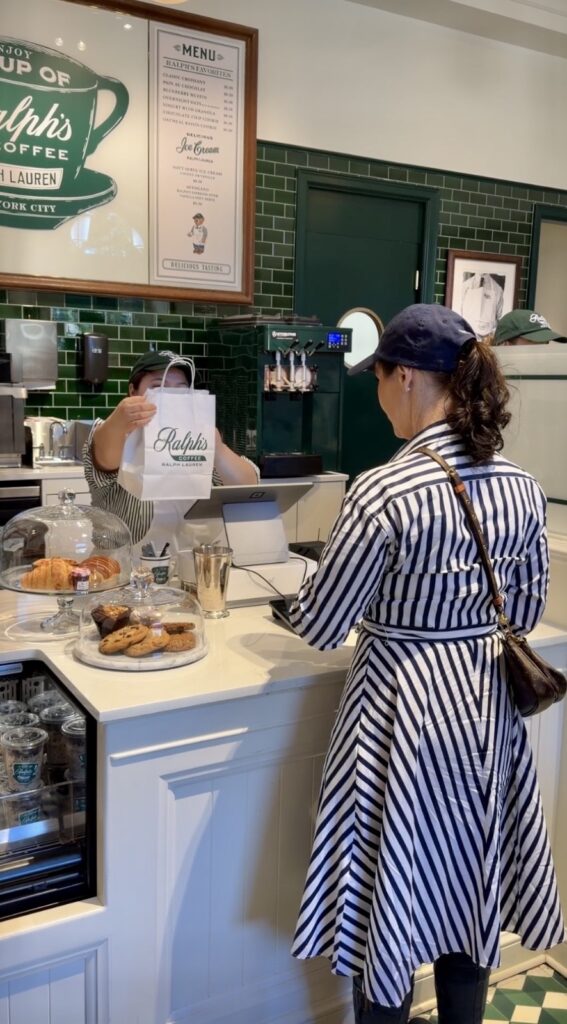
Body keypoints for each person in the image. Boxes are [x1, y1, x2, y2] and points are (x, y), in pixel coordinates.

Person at [289, 304, 564, 1024]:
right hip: (481, 717)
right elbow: (526, 612)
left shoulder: (382, 489)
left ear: (403, 377)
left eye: (377, 376)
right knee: (466, 890)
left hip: (398, 723)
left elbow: (320, 625)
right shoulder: (521, 487)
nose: (377, 392)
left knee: (388, 896)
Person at [83, 349, 258, 548]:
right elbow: (104, 456)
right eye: (158, 387)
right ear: (133, 392)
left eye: (181, 389)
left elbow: (248, 487)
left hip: (196, 568)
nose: (171, 396)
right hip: (124, 571)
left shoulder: (197, 439)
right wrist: (119, 419)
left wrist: (216, 448)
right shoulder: (118, 435)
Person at [460, 271, 503, 339]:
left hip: (488, 335)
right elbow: (459, 309)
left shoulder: (497, 288)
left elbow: (499, 315)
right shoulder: (465, 285)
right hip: (468, 333)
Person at [492, 308, 567, 345]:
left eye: (545, 343)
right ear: (505, 345)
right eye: (535, 342)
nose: (543, 354)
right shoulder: (484, 374)